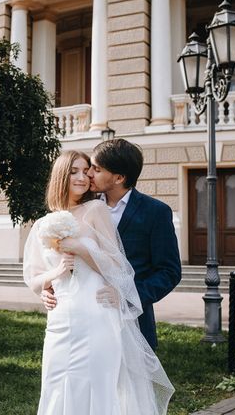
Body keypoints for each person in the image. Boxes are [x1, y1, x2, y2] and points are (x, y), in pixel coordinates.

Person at [24, 150, 173, 415]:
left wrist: (80, 248)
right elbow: (35, 278)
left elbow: (119, 267)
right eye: (76, 171)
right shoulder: (42, 225)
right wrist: (50, 281)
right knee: (56, 385)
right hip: (60, 319)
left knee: (100, 389)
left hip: (98, 315)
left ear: (119, 177)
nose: (85, 176)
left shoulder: (97, 209)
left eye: (89, 170)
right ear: (60, 176)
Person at [41, 139, 182, 350]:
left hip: (133, 321)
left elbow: (169, 272)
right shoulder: (84, 207)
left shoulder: (155, 212)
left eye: (96, 169)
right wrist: (50, 287)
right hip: (86, 320)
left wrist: (127, 295)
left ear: (119, 177)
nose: (88, 174)